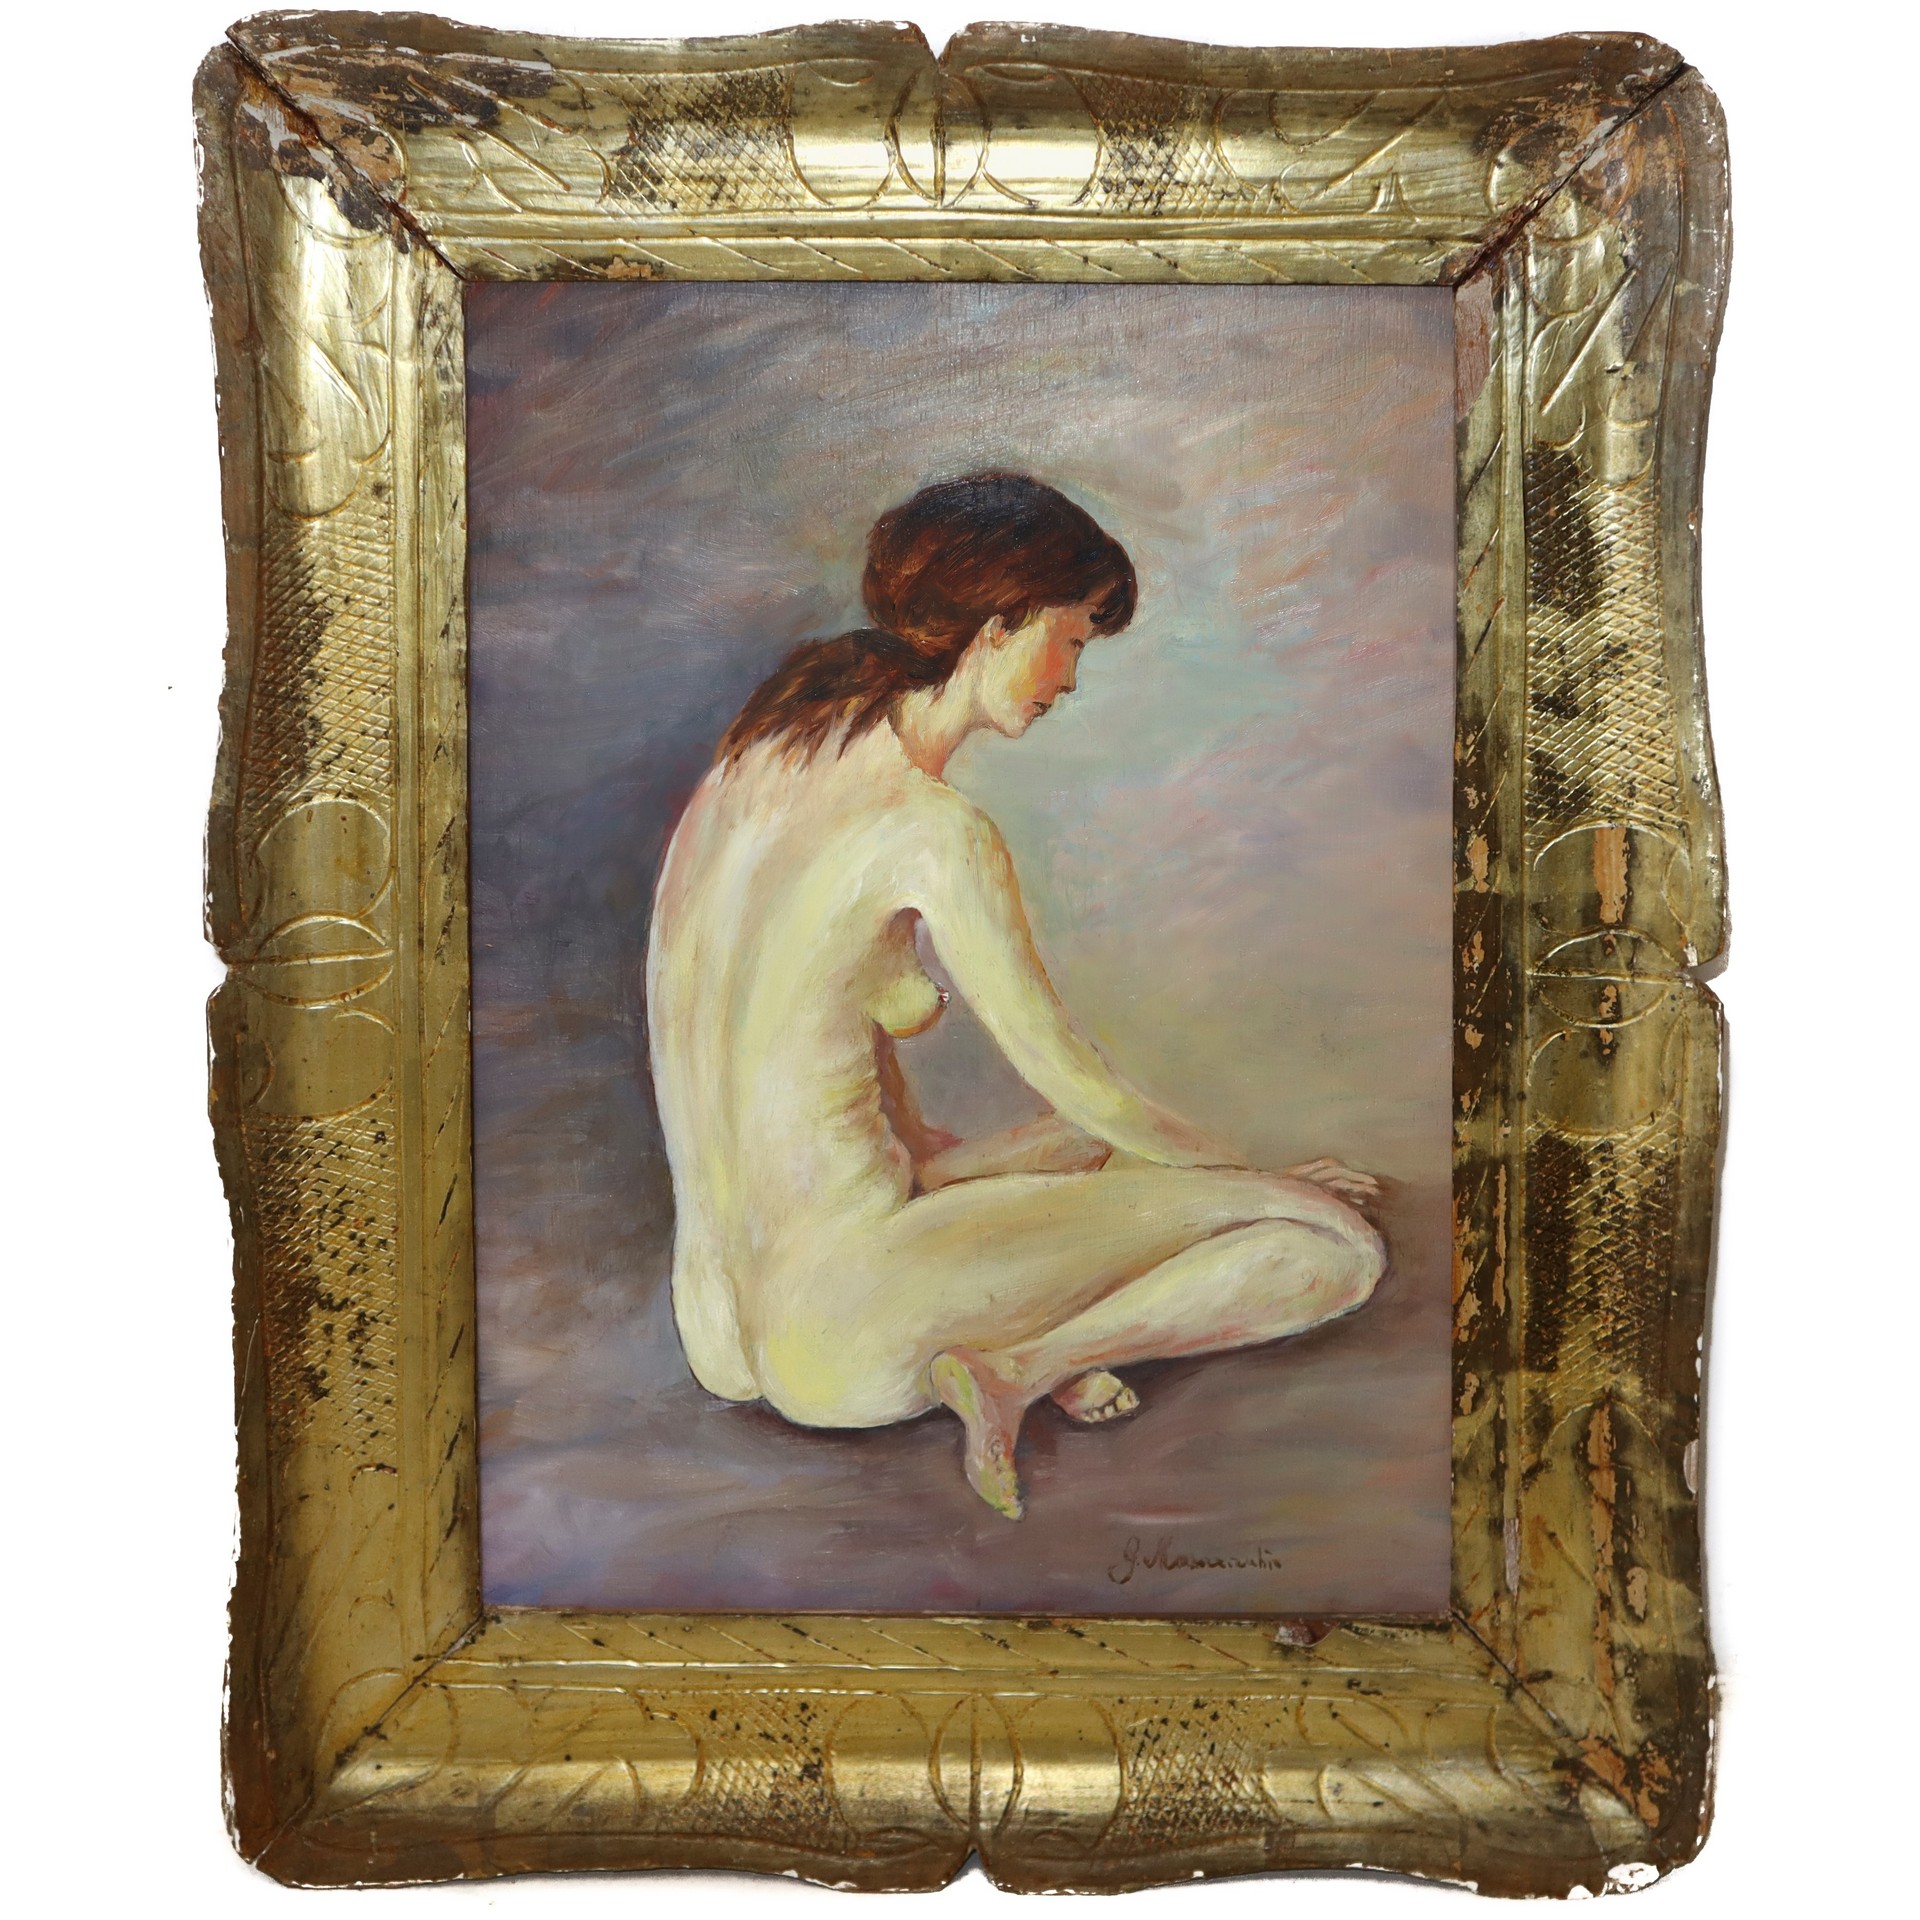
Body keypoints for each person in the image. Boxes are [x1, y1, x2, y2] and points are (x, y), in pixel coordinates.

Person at [645, 473, 1384, 1519]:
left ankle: (1016, 1328)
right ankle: (1024, 1365)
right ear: (998, 624)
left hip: (721, 1324)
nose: (1070, 679)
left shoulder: (753, 767)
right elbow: (1078, 1081)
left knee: (1083, 1154)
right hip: (847, 1331)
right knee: (1332, 1243)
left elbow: (838, 1067)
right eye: (1070, 639)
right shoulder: (931, 831)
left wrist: (984, 1169)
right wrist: (1250, 1181)